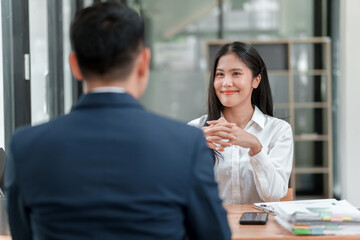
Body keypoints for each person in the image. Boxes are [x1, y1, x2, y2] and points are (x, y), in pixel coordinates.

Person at [4, 3, 231, 240]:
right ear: (143, 62)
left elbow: (23, 233)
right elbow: (214, 235)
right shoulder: (186, 143)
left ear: (75, 65)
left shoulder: (25, 146)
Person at [189, 41, 293, 204]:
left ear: (256, 80)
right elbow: (178, 191)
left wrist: (255, 147)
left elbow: (274, 195)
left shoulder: (279, 130)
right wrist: (191, 146)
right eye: (220, 74)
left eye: (236, 73)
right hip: (211, 226)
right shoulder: (195, 129)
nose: (226, 83)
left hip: (261, 227)